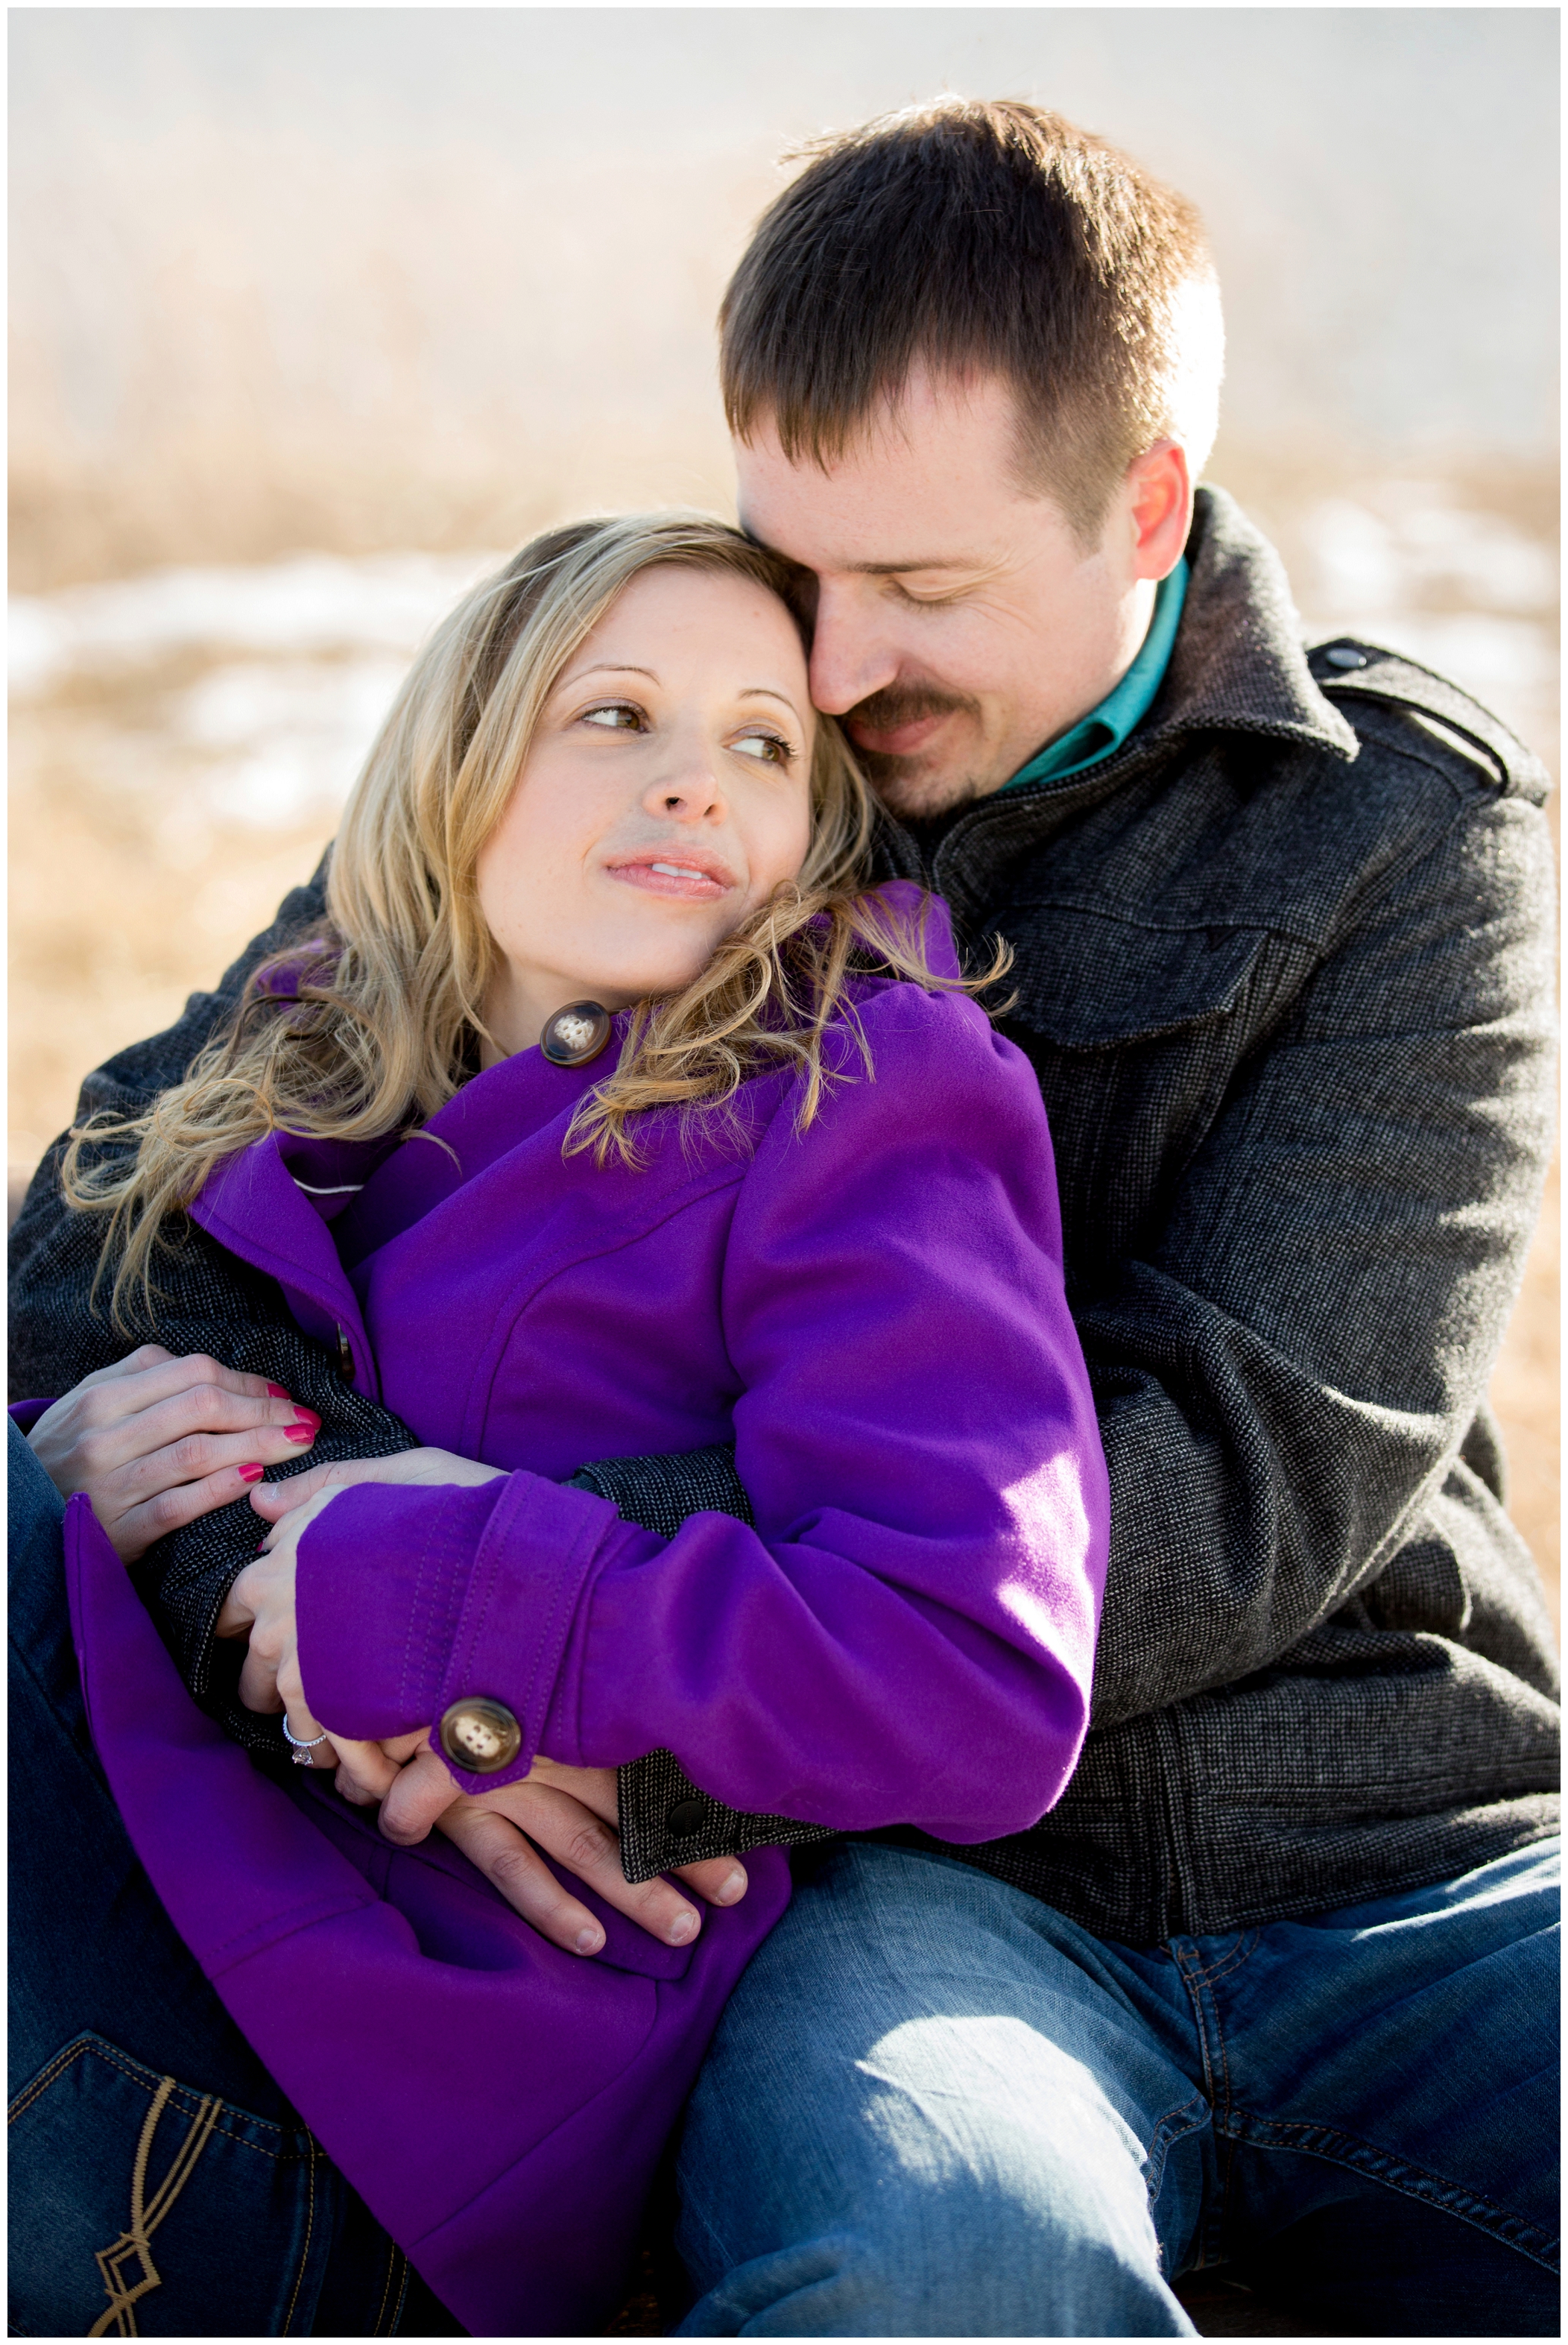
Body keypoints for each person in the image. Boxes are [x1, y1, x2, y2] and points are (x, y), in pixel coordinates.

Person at [12, 97, 1558, 2338]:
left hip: (1395, 1846)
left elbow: (1237, 1482)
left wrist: (489, 1613)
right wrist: (277, 1573)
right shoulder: (690, 761)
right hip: (909, 1895)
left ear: (1145, 508)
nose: (820, 676)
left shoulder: (1397, 840)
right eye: (792, 558)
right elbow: (156, 1198)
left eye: (920, 593)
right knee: (945, 2261)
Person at [10, 510, 1107, 2338]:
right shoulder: (307, 1032)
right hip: (110, 1888)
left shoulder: (853, 1080)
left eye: (762, 744)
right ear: (460, 767)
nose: (697, 786)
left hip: (388, 2076)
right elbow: (60, 1283)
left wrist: (443, 1598)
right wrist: (73, 1476)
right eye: (617, 716)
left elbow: (971, 1663)